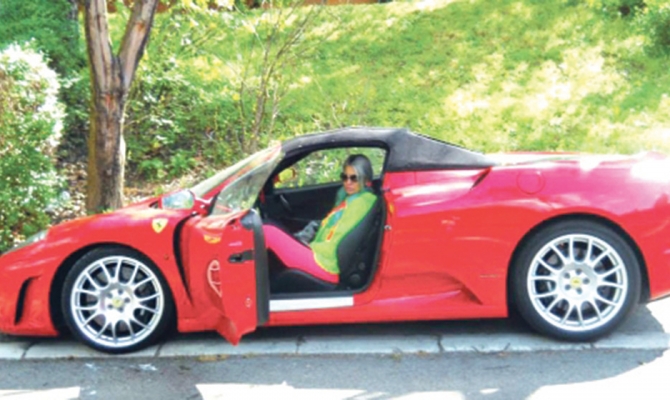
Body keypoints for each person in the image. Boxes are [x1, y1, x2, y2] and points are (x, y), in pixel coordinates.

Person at [263, 154, 377, 285]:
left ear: (365, 180)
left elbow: (338, 239)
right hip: (322, 256)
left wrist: (309, 248)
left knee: (267, 232)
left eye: (354, 178)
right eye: (344, 177)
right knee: (269, 230)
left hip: (325, 264)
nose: (348, 182)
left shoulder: (360, 203)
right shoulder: (352, 198)